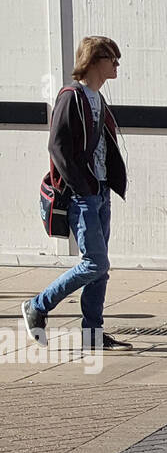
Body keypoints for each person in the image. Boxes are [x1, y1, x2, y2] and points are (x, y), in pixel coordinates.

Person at [21, 36, 133, 351]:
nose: (117, 65)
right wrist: (82, 186)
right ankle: (38, 306)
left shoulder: (97, 98)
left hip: (100, 191)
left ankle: (93, 334)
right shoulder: (72, 97)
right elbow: (57, 147)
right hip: (81, 195)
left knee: (100, 268)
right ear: (95, 60)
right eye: (113, 58)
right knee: (94, 263)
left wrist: (107, 182)